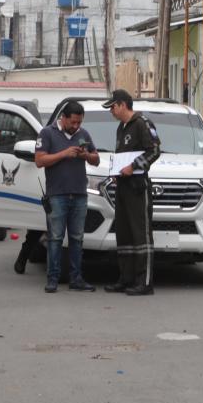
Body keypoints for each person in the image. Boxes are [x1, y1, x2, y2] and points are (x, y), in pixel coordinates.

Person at [33, 101, 100, 293]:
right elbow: (39, 160)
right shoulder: (47, 133)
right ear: (63, 118)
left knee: (77, 238)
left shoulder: (84, 134)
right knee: (55, 237)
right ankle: (52, 278)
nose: (76, 126)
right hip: (57, 194)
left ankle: (76, 278)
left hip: (79, 193)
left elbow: (96, 159)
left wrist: (85, 155)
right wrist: (64, 154)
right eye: (73, 122)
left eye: (79, 122)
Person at [101, 89, 161, 296]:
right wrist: (118, 172)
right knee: (124, 233)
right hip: (123, 187)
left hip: (137, 186)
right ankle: (126, 279)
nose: (111, 111)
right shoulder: (121, 128)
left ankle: (144, 282)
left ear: (122, 104)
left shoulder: (142, 123)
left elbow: (154, 150)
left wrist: (133, 166)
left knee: (140, 234)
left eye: (112, 107)